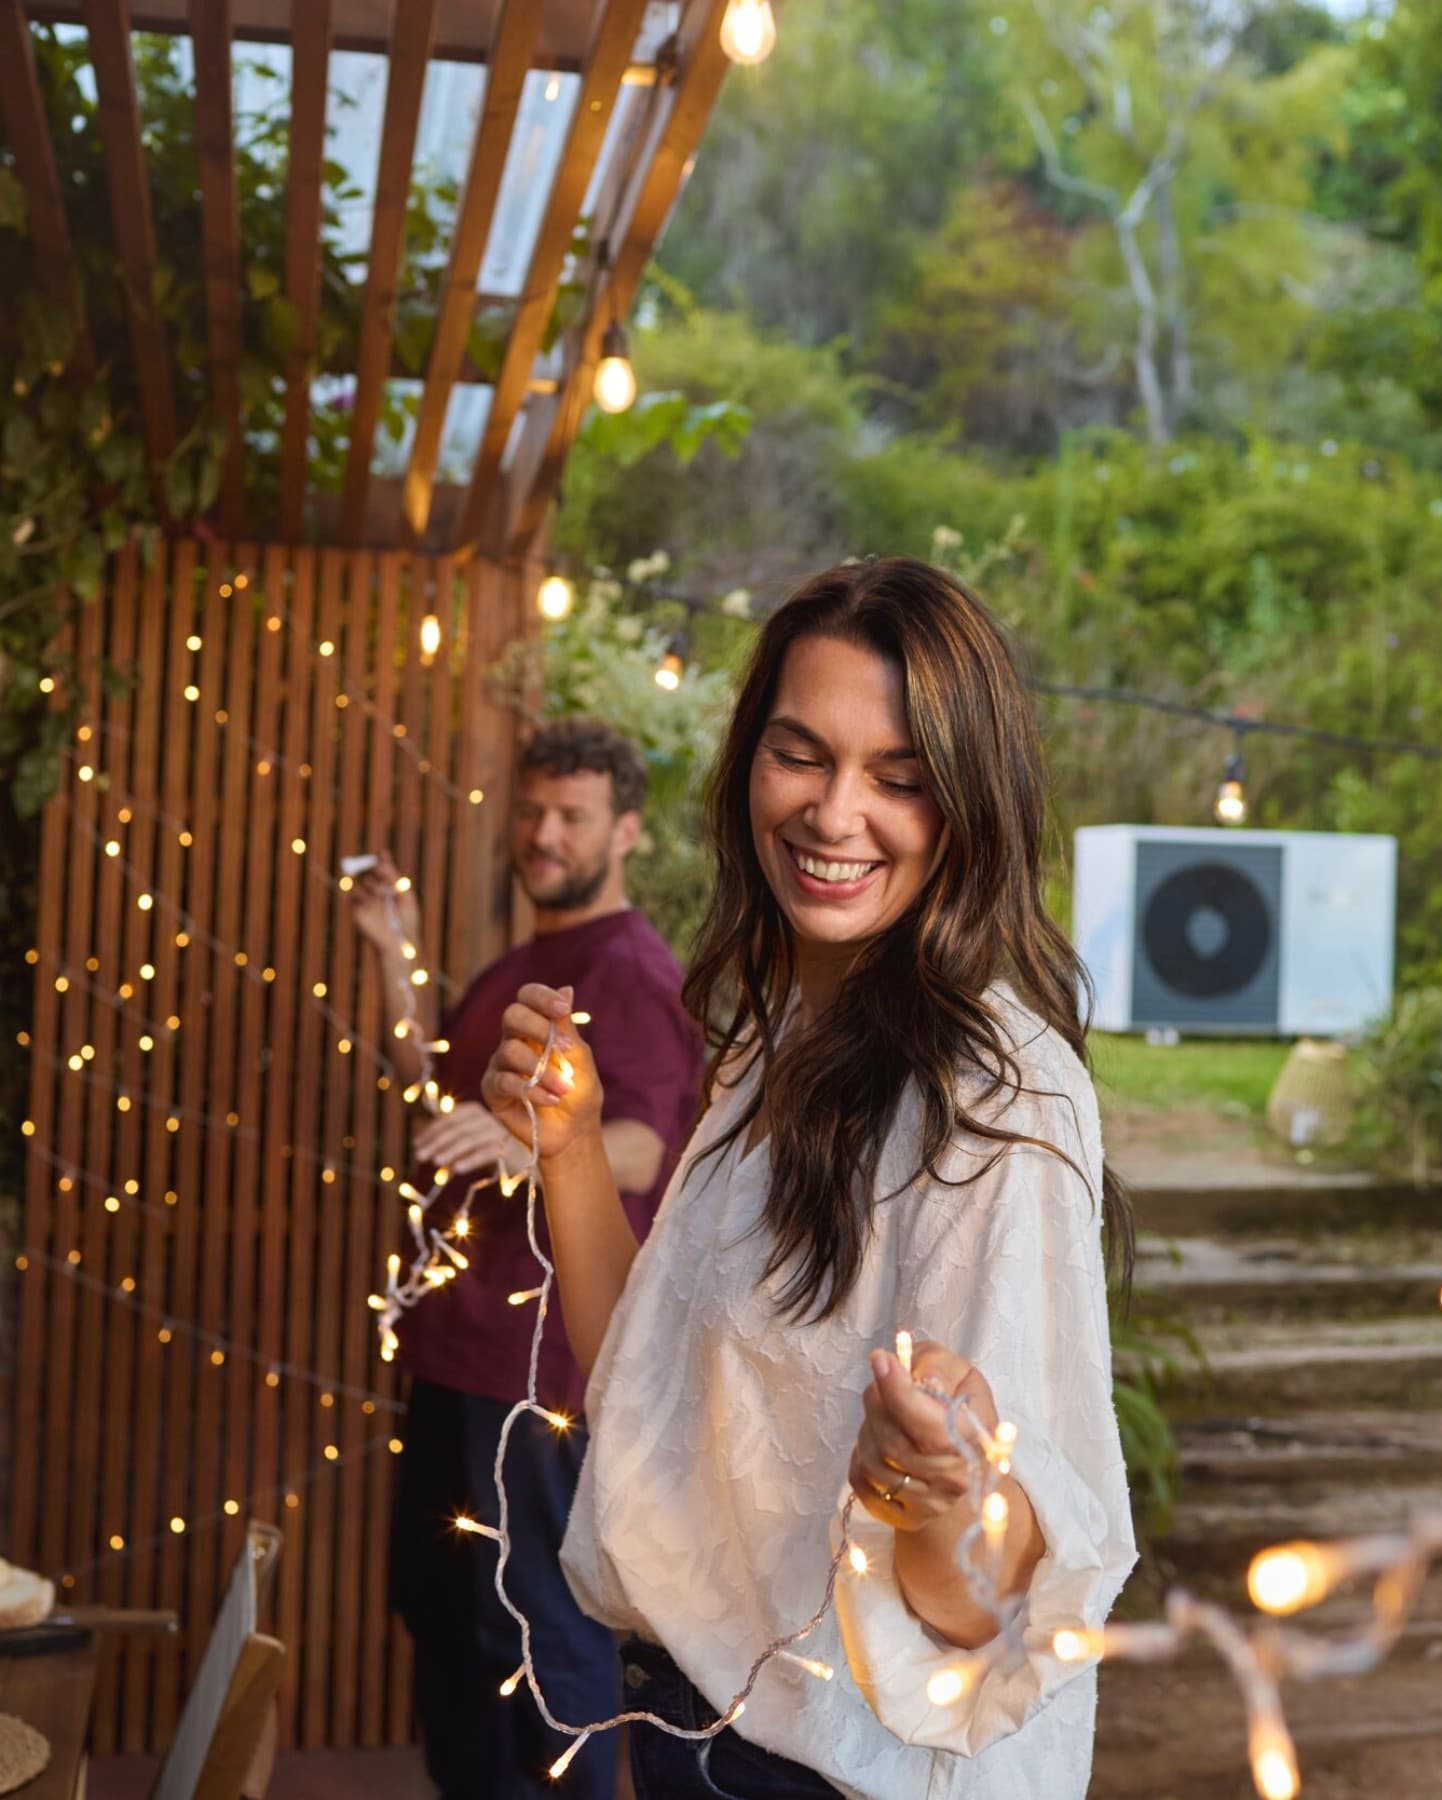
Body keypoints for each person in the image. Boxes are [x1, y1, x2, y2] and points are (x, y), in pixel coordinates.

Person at [481, 559, 1137, 1800]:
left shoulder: (998, 1096)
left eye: (899, 780)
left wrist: (937, 1495)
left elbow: (985, 1619)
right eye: (802, 755)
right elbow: (641, 1395)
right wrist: (570, 1149)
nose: (836, 815)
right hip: (687, 1713)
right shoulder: (774, 1038)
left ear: (969, 807)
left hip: (833, 1771)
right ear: (746, 773)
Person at [349, 718, 704, 1800]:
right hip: (457, 1359)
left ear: (627, 831)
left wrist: (524, 1139)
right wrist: (388, 953)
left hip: (536, 1379)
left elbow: (647, 1139)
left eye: (574, 816)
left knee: (540, 1656)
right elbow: (432, 1094)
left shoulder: (630, 971)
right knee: (447, 1630)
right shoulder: (520, 965)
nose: (546, 834)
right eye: (535, 810)